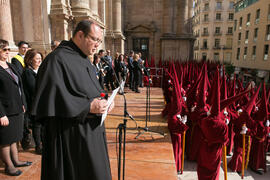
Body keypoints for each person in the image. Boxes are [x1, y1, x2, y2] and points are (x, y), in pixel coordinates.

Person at [31, 20, 114, 180]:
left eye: (99, 41)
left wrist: (105, 98)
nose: (98, 45)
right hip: (72, 137)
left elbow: (92, 89)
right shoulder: (56, 60)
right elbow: (52, 100)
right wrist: (88, 107)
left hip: (91, 133)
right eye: (95, 39)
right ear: (80, 35)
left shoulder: (85, 59)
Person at [0, 39, 32, 176]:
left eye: (8, 49)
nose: (8, 52)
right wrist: (1, 114)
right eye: (5, 50)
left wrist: (23, 103)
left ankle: (16, 160)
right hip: (5, 110)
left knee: (15, 137)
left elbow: (19, 86)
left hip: (17, 107)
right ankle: (9, 166)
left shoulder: (9, 65)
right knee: (6, 140)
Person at [22, 49, 43, 154]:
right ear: (30, 60)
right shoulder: (28, 72)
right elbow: (33, 88)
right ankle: (38, 146)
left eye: (40, 59)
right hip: (34, 103)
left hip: (41, 102)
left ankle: (43, 143)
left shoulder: (39, 70)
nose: (39, 61)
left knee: (42, 124)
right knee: (37, 124)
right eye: (37, 59)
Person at [11, 40, 31, 150]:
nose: (24, 49)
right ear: (19, 48)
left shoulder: (26, 58)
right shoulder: (16, 59)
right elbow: (19, 74)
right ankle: (25, 140)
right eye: (23, 47)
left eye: (26, 48)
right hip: (23, 88)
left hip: (27, 87)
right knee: (25, 116)